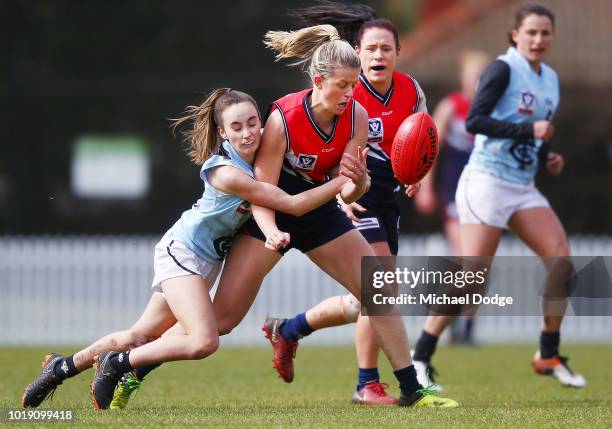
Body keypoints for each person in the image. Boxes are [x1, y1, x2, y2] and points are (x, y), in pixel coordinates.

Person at [21, 88, 364, 410]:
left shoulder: (262, 158)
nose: (248, 133)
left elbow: (287, 183)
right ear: (223, 133)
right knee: (204, 341)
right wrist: (341, 181)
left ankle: (62, 367)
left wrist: (335, 181)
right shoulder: (225, 171)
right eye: (236, 127)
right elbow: (291, 203)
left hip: (203, 261)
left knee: (141, 334)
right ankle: (119, 363)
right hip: (182, 253)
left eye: (253, 123)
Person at [260, 3, 436, 405]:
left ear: (398, 52)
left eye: (386, 48)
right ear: (357, 51)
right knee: (379, 291)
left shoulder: (411, 90)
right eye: (371, 48)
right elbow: (335, 159)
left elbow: (424, 137)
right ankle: (367, 383)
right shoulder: (347, 93)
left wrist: (420, 172)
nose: (378, 55)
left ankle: (291, 329)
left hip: (386, 198)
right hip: (357, 201)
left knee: (366, 299)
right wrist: (343, 197)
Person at [412, 2, 586, 389]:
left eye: (545, 33)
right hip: (486, 181)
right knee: (472, 277)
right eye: (531, 32)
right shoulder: (503, 68)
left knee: (562, 264)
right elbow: (476, 120)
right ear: (515, 35)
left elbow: (533, 132)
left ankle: (548, 352)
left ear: (552, 36)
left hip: (522, 187)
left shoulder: (550, 80)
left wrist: (547, 155)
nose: (538, 39)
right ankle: (420, 356)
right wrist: (531, 134)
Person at [414, 50, 490, 347]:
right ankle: (443, 324)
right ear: (463, 78)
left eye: (484, 76)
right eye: (474, 76)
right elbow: (429, 149)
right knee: (466, 260)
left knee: (479, 264)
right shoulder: (451, 107)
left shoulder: (494, 111)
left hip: (485, 195)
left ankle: (466, 327)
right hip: (455, 193)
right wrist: (426, 185)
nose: (478, 82)